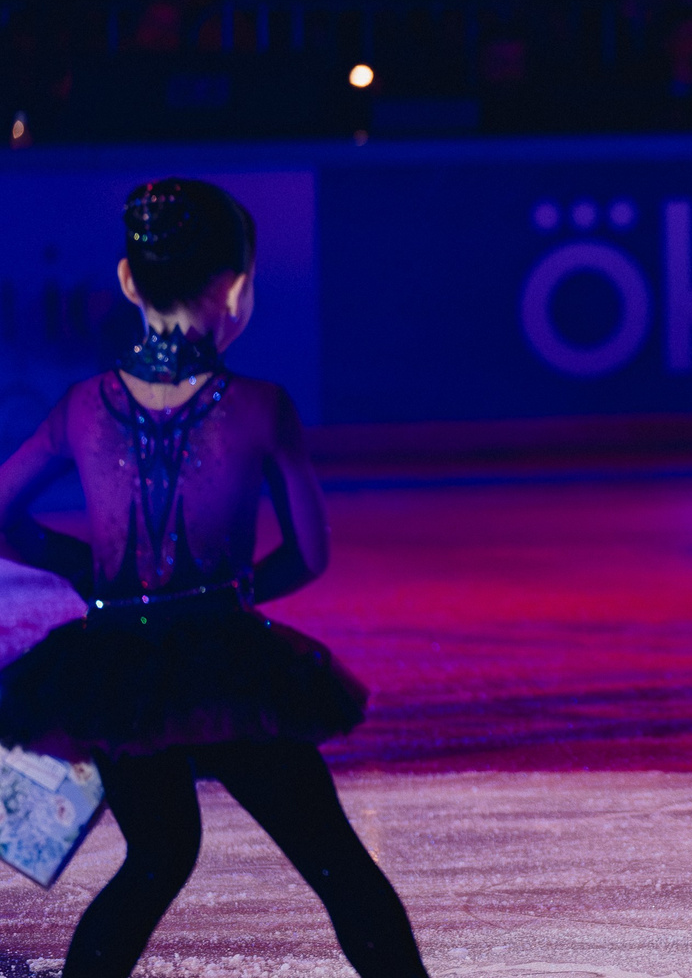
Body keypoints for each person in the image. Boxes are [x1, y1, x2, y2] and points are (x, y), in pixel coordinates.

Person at [0, 180, 430, 977]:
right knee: (334, 861)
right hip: (228, 668)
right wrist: (231, 596)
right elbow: (309, 554)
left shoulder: (82, 407)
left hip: (118, 671)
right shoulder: (262, 408)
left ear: (127, 281)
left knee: (159, 857)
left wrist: (79, 566)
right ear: (236, 290)